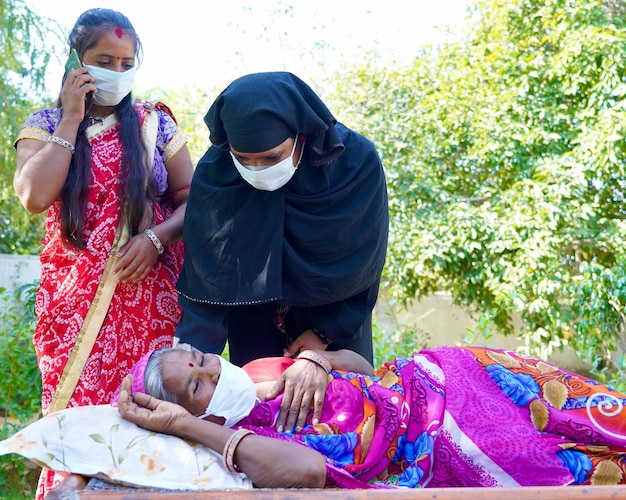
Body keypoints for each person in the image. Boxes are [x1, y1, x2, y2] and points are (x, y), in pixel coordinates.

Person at [12, 8, 194, 498]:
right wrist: (71, 118)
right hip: (73, 311)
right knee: (77, 428)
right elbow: (32, 196)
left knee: (148, 418)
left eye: (126, 60)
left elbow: (194, 200)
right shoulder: (46, 124)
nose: (116, 70)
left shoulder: (154, 124)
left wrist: (156, 239)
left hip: (149, 305)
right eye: (102, 59)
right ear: (76, 61)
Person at [105, 345, 626, 491]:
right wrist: (182, 427)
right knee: (543, 459)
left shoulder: (261, 367)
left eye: (201, 360)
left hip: (449, 372)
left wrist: (318, 360)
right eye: (196, 386)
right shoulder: (245, 441)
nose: (213, 373)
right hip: (436, 442)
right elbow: (308, 472)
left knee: (584, 408)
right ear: (194, 411)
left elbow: (364, 368)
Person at [175, 71, 389, 370]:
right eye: (243, 158)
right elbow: (209, 273)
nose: (256, 169)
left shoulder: (354, 164)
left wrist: (323, 334)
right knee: (262, 409)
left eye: (271, 158)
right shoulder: (218, 171)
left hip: (336, 327)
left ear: (301, 135)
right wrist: (187, 362)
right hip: (252, 320)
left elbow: (365, 263)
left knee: (338, 411)